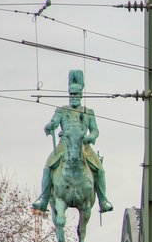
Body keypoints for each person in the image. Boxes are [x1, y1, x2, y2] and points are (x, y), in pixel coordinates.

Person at [32, 69, 113, 213]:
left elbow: (95, 130)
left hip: (84, 147)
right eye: (71, 94)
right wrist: (50, 126)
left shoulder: (88, 112)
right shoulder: (62, 110)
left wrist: (91, 137)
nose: (73, 97)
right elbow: (54, 123)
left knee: (99, 169)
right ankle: (43, 199)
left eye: (76, 94)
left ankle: (103, 200)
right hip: (65, 145)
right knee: (47, 167)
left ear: (81, 95)